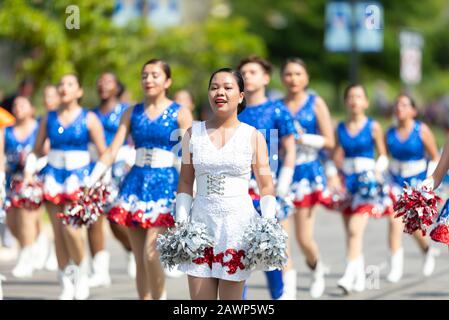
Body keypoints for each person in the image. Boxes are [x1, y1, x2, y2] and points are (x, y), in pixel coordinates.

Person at [86, 59, 193, 300]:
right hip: (136, 182)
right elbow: (112, 149)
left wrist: (192, 189)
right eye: (145, 75)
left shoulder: (180, 112)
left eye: (155, 75)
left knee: (151, 253)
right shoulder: (131, 112)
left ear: (167, 81)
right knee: (139, 257)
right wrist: (92, 179)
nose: (149, 80)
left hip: (166, 183)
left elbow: (189, 154)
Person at [177, 67, 280, 300]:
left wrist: (268, 223)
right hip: (200, 225)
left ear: (241, 96)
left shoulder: (253, 136)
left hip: (237, 226)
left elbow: (265, 185)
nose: (219, 93)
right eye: (214, 88)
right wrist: (182, 223)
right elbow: (185, 181)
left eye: (227, 87)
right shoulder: (192, 134)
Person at [24, 73, 107, 300]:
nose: (64, 88)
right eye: (61, 84)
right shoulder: (48, 118)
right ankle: (66, 283)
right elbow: (36, 147)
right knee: (59, 233)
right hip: (53, 176)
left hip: (79, 178)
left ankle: (81, 272)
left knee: (72, 230)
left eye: (70, 84)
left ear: (79, 91)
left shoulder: (89, 118)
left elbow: (103, 151)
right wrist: (29, 171)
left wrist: (100, 179)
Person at [237, 56, 296, 300]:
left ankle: (282, 294)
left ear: (266, 78)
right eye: (243, 73)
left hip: (268, 185)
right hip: (239, 186)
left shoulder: (277, 109)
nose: (247, 76)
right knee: (240, 248)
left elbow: (290, 148)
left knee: (270, 245)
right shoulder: (234, 110)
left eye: (252, 72)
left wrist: (283, 181)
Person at [277, 58, 335, 298]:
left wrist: (303, 139)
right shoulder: (276, 106)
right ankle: (287, 287)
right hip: (282, 172)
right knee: (280, 236)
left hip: (308, 173)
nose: (293, 79)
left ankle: (316, 267)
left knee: (303, 238)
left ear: (306, 78)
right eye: (288, 74)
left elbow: (330, 142)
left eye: (298, 74)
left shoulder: (315, 103)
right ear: (282, 78)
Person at [334, 83, 389, 294]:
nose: (354, 100)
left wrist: (377, 170)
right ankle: (358, 275)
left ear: (365, 102)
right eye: (350, 97)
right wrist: (334, 173)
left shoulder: (373, 126)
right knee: (350, 232)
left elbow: (383, 154)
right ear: (346, 102)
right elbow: (336, 154)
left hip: (367, 181)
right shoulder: (340, 127)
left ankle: (348, 275)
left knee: (356, 229)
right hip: (347, 181)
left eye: (359, 97)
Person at [87, 72, 136, 287]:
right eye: (100, 82)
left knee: (116, 220)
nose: (102, 85)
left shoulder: (128, 111)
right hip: (97, 167)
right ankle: (99, 270)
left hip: (121, 168)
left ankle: (132, 250)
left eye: (108, 82)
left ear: (117, 87)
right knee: (92, 216)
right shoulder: (92, 114)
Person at [385, 93, 441, 282]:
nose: (399, 108)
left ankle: (426, 250)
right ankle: (396, 266)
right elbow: (385, 156)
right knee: (394, 222)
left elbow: (434, 156)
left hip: (416, 182)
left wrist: (429, 183)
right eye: (397, 104)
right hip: (395, 182)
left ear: (413, 110)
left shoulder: (421, 130)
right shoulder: (390, 133)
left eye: (404, 105)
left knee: (414, 226)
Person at [4, 96, 48, 278]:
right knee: (12, 222)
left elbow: (46, 151)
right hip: (12, 180)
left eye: (22, 104)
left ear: (31, 108)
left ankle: (26, 257)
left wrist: (32, 165)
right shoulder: (6, 131)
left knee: (26, 217)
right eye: (15, 105)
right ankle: (38, 240)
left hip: (34, 180)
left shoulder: (39, 128)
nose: (18, 108)